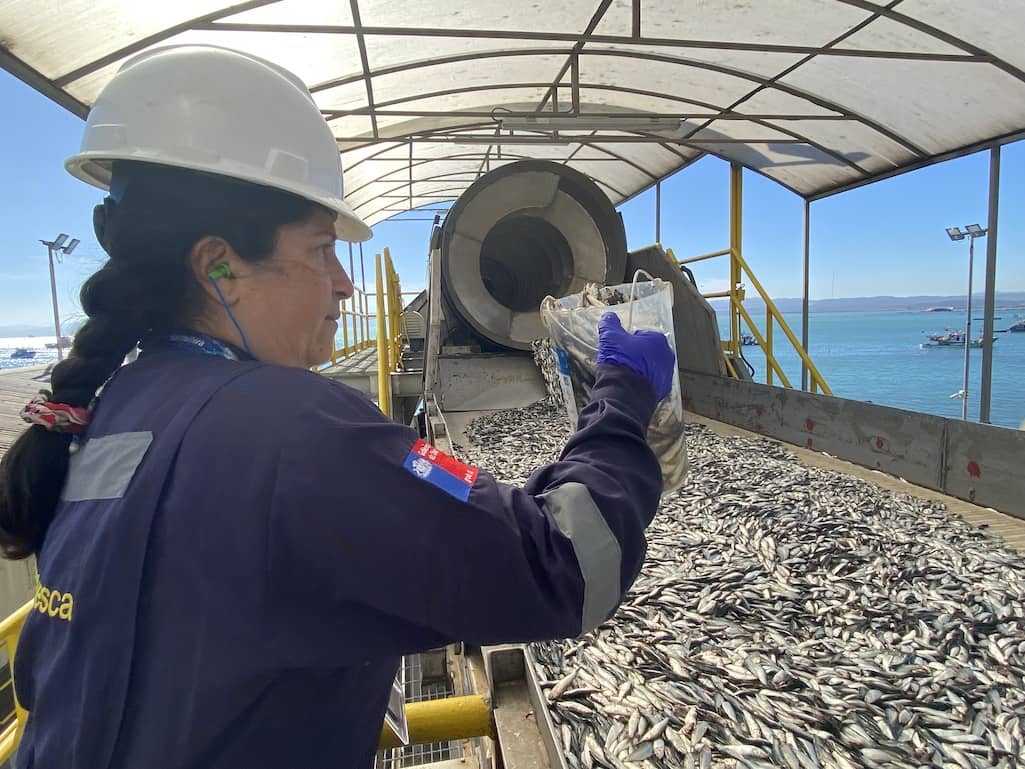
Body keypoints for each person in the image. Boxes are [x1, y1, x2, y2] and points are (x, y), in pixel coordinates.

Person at [0, 46, 675, 769]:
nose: (345, 285)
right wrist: (622, 399)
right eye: (322, 248)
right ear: (216, 263)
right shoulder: (299, 432)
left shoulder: (110, 412)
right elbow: (566, 565)